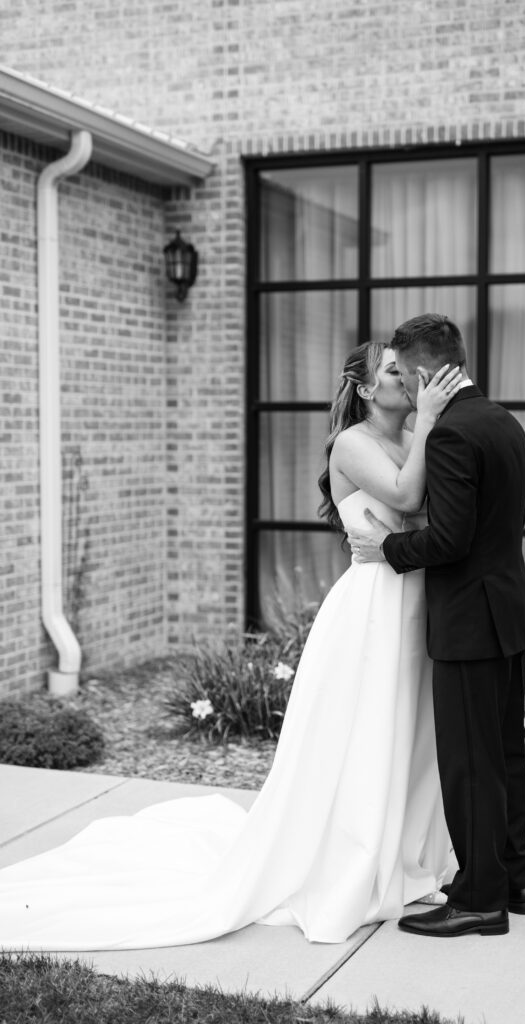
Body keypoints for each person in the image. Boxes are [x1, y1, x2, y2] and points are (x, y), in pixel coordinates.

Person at [0, 342, 462, 951]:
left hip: (416, 603)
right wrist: (430, 420)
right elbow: (404, 499)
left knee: (411, 734)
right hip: (373, 610)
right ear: (370, 390)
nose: (408, 379)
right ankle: (355, 865)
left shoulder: (410, 438)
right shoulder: (353, 442)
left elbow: (433, 515)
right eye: (393, 372)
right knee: (366, 733)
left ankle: (404, 861)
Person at [349, 314, 525, 939]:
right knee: (505, 756)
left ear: (427, 370)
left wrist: (390, 552)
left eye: (404, 372)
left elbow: (451, 539)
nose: (402, 384)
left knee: (469, 764)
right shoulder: (503, 422)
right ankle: (516, 881)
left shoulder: (454, 434)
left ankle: (479, 900)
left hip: (469, 619)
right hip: (506, 611)